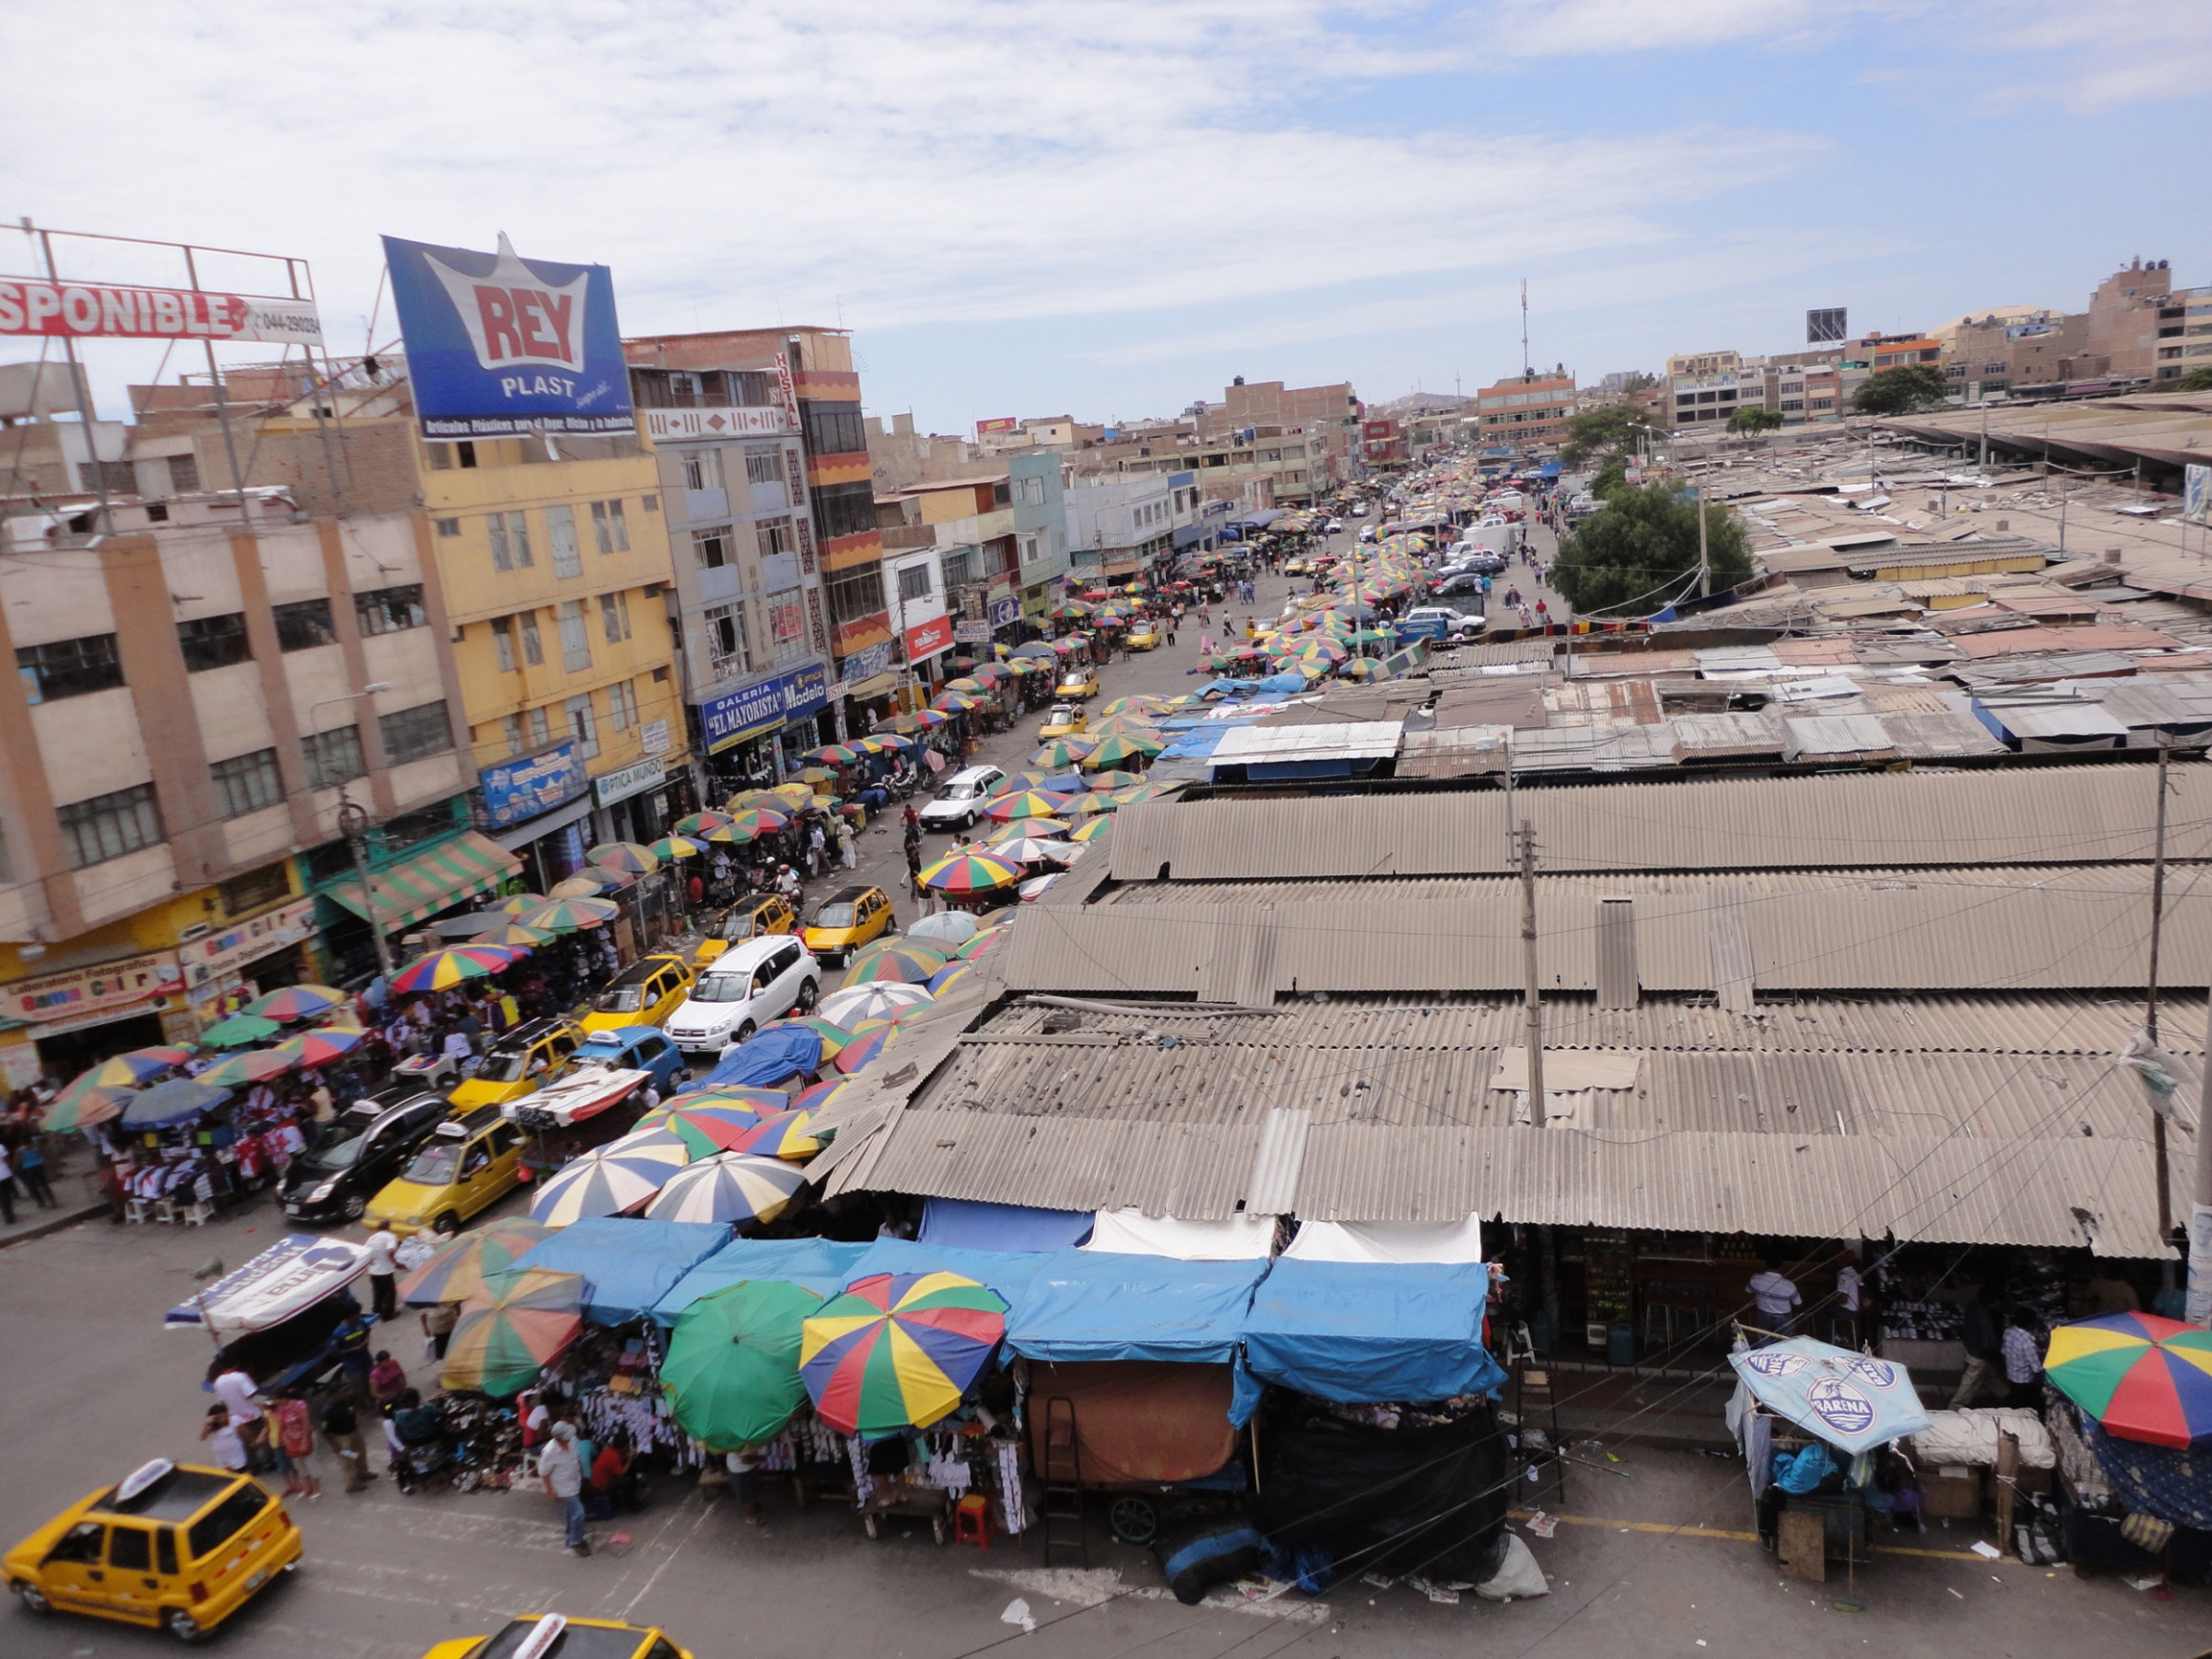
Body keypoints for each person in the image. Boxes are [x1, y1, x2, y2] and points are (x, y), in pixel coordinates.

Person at [539, 1420, 589, 1556]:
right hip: (563, 1487)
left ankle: (570, 1537)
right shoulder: (550, 1451)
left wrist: (581, 1471)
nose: (569, 1439)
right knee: (579, 1513)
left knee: (570, 1513)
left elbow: (575, 1458)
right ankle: (576, 1540)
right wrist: (550, 1490)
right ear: (558, 1439)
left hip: (574, 1481)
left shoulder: (572, 1440)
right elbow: (544, 1473)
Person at [1953, 1287, 2003, 1409]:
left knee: (1989, 1375)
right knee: (1969, 1383)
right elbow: (1989, 1343)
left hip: (1970, 1347)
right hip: (1978, 1355)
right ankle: (1955, 1407)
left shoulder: (1972, 1306)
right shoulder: (1985, 1320)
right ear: (1992, 1303)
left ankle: (2005, 1395)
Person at [320, 1391, 375, 1492]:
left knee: (360, 1453)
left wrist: (356, 1418)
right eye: (339, 1393)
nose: (342, 1394)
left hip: (354, 1432)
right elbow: (324, 1430)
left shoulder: (347, 1402)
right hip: (341, 1438)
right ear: (333, 1395)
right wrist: (334, 1444)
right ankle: (352, 1484)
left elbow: (353, 1410)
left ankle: (363, 1472)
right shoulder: (327, 1411)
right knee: (347, 1460)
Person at [274, 1390, 320, 1499]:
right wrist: (283, 1438)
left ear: (284, 1398)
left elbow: (305, 1423)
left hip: (304, 1437)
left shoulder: (299, 1405)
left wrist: (304, 1439)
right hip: (292, 1441)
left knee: (310, 1463)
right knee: (299, 1465)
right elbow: (282, 1426)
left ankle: (316, 1489)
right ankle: (307, 1488)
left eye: (277, 1399)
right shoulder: (281, 1409)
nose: (276, 1402)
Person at [1746, 1263, 1802, 1341]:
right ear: (1781, 1267)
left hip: (1763, 1314)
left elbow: (1748, 1292)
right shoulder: (1789, 1285)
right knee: (1785, 1343)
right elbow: (1798, 1304)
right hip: (1783, 1317)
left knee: (1764, 1342)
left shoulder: (1755, 1278)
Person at [2001, 1308, 2044, 1408]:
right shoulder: (2027, 1343)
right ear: (2030, 1324)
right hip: (2024, 1379)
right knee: (2027, 1402)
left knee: (2018, 1397)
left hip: (2011, 1374)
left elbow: (2004, 1351)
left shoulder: (2009, 1331)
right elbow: (2036, 1368)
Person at [363, 1219, 400, 1321]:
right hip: (385, 1270)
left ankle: (376, 1310)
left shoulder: (371, 1238)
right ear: (388, 1227)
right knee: (389, 1292)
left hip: (373, 1270)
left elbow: (365, 1252)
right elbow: (390, 1251)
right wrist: (394, 1261)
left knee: (378, 1291)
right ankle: (387, 1314)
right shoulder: (390, 1237)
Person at [1831, 1248, 1864, 1350]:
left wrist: (1826, 1298)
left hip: (1849, 1311)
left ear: (1842, 1261)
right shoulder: (1856, 1273)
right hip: (1858, 1310)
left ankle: (1837, 1336)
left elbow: (1843, 1300)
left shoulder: (1843, 1276)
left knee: (1822, 1309)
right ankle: (1842, 1336)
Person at [200, 1405, 248, 1473]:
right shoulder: (213, 1426)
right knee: (229, 1474)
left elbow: (244, 1433)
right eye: (217, 1417)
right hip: (222, 1456)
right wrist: (206, 1424)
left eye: (223, 1415)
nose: (222, 1419)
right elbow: (202, 1438)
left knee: (241, 1471)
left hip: (235, 1453)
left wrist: (248, 1446)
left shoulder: (234, 1420)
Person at [15, 1134, 55, 1210]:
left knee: (33, 1187)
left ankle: (40, 1202)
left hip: (28, 1169)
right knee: (44, 1184)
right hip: (39, 1166)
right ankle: (52, 1200)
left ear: (21, 1142)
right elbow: (42, 1155)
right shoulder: (36, 1146)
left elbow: (18, 1162)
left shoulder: (19, 1151)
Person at [422, 1296, 460, 1360]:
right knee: (444, 1354)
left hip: (453, 1330)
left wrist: (458, 1319)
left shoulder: (449, 1300)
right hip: (438, 1333)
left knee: (456, 1350)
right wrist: (426, 1329)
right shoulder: (426, 1305)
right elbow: (423, 1316)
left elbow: (458, 1310)